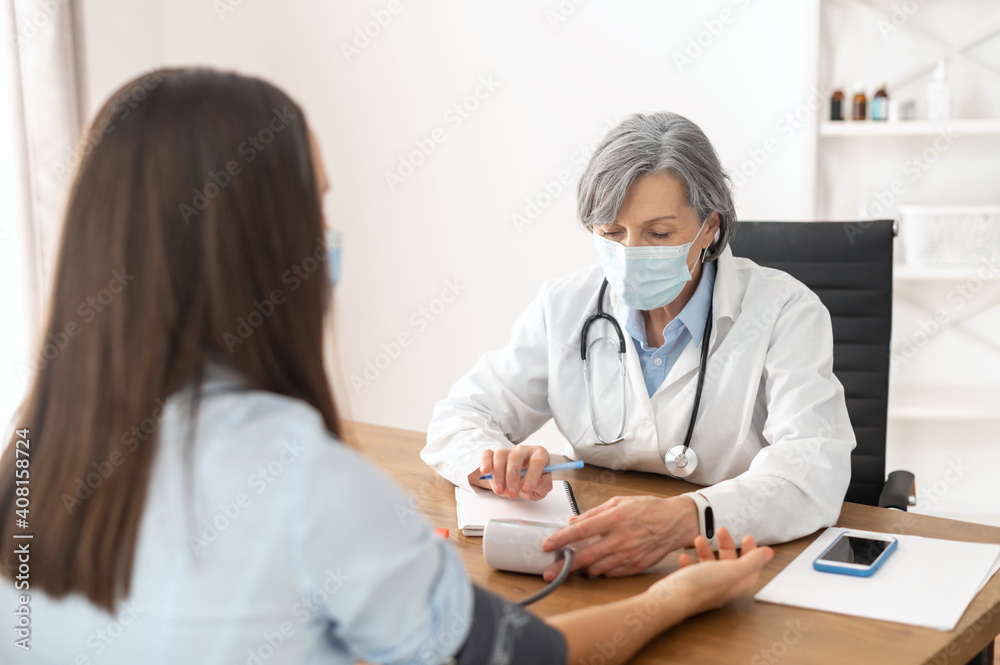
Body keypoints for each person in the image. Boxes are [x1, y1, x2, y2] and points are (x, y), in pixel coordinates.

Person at [0, 69, 773, 665]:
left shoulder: (29, 450)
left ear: (708, 229)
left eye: (658, 230)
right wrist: (680, 595)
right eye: (317, 210)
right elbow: (531, 650)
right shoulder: (306, 478)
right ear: (257, 246)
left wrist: (375, 566)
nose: (329, 237)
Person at [421, 111, 855, 583]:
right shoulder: (564, 306)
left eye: (659, 234)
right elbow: (458, 418)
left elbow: (813, 472)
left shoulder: (786, 311)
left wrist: (687, 518)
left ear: (709, 227)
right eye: (611, 233)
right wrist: (493, 463)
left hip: (730, 559)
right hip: (597, 554)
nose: (630, 253)